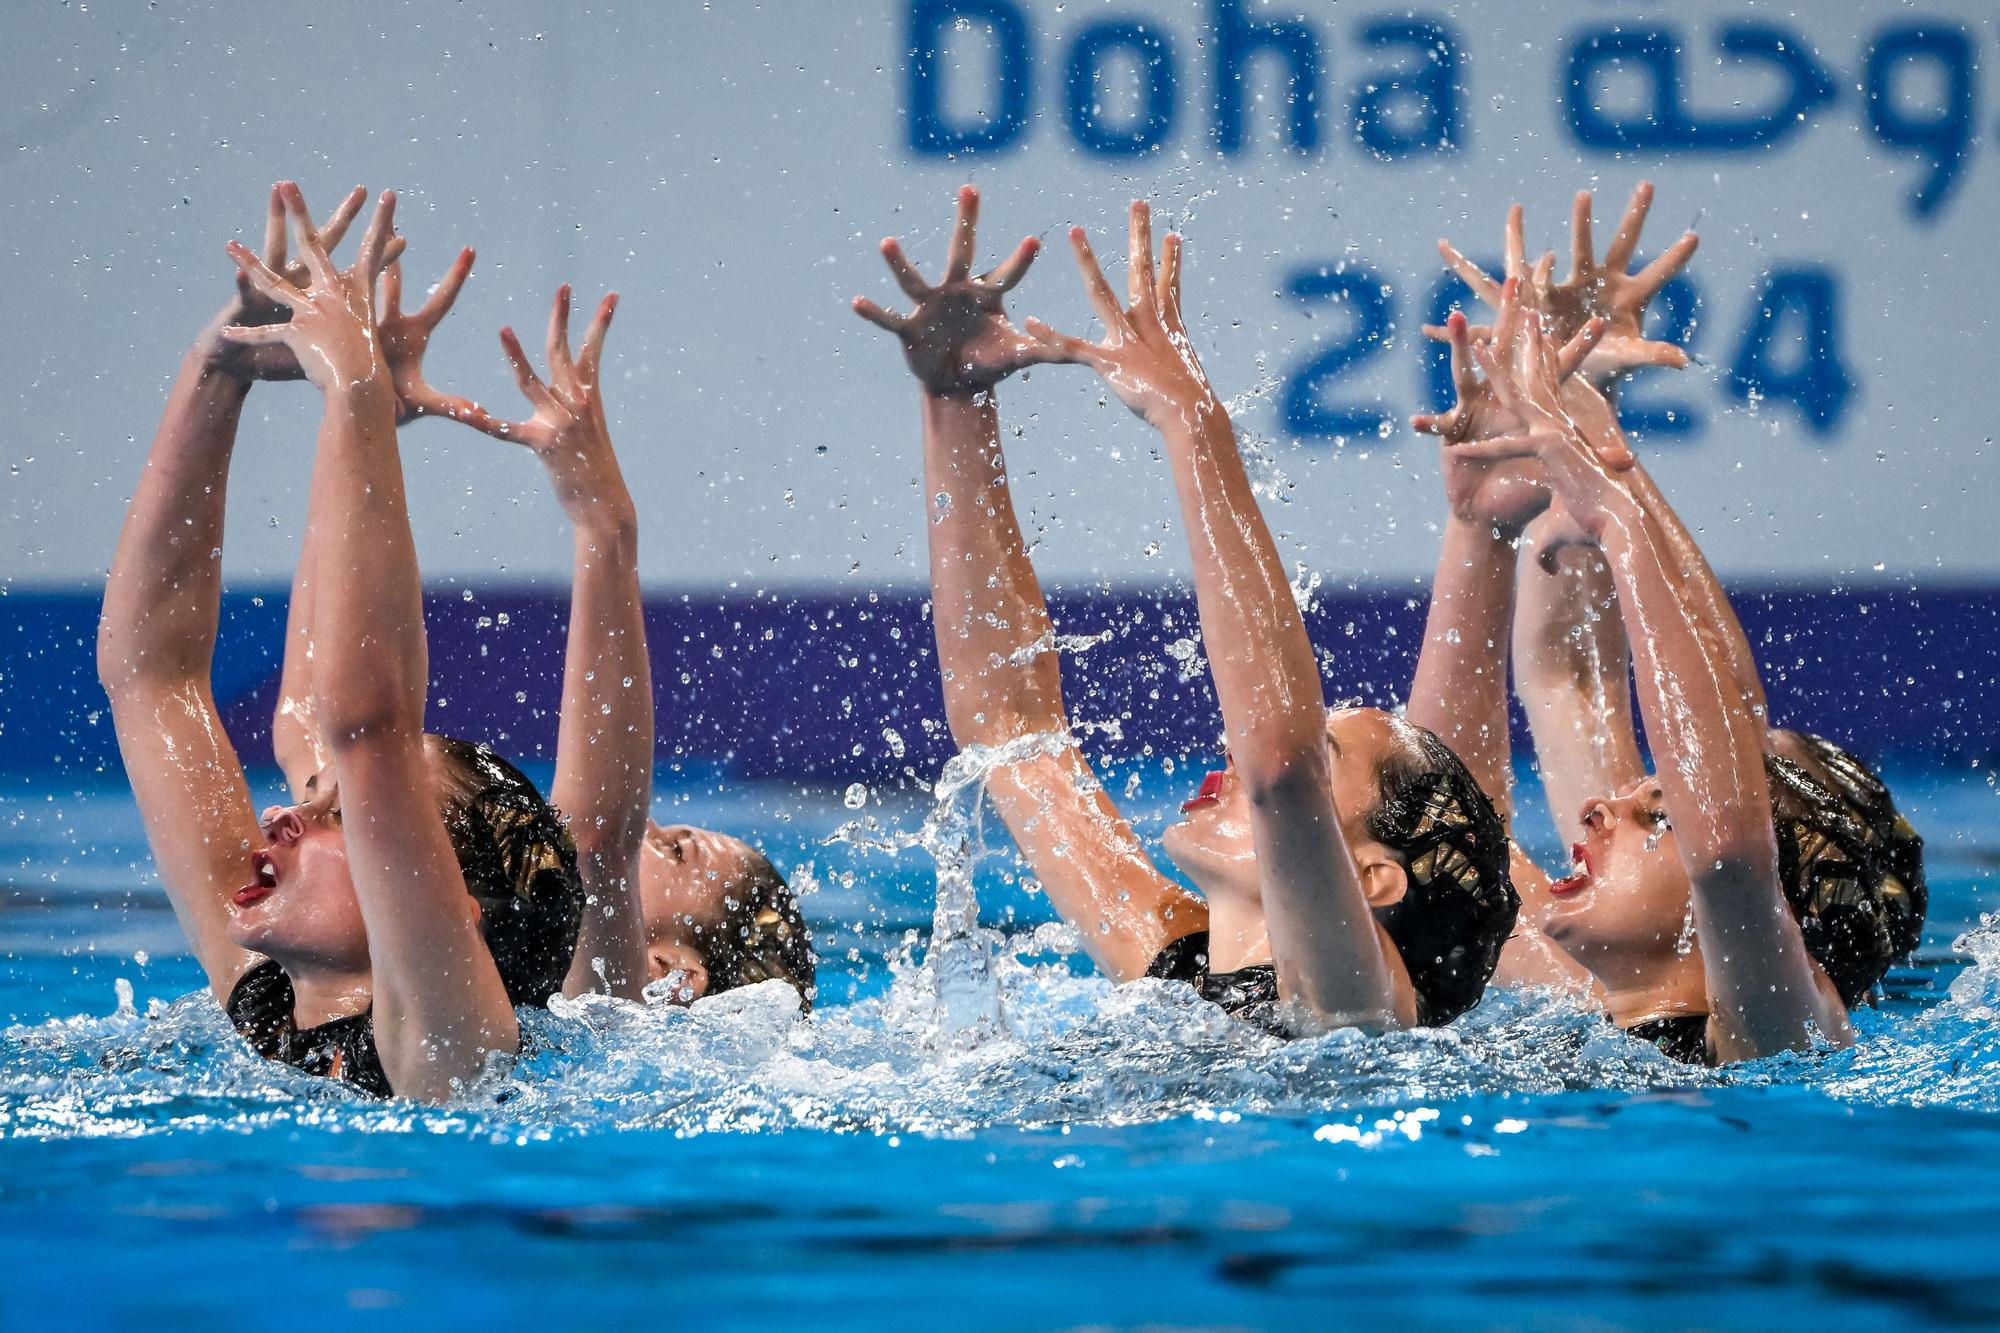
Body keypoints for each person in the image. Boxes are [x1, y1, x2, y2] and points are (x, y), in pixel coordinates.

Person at [855, 187, 1520, 1031]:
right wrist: (957, 404)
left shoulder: (1362, 1007)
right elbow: (1008, 728)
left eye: (1327, 754)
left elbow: (1280, 767)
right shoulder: (1175, 969)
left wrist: (1194, 419)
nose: (1237, 751)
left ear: (1374, 877)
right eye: (1318, 751)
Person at [1409, 194, 1925, 1061]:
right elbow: (1444, 814)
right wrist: (1562, 434)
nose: (1600, 804)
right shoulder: (1570, 983)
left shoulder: (1777, 1028)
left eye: (1661, 812)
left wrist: (1616, 507)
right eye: (1659, 803)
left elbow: (1728, 841)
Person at [98, 183, 583, 1101]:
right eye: (327, 807)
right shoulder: (273, 1007)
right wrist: (220, 364)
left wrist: (354, 392)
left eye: (341, 815)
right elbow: (151, 676)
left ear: (447, 908)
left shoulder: (445, 1051)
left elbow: (371, 727)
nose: (279, 815)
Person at [269, 251, 815, 1011]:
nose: (649, 820)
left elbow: (595, 835)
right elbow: (315, 730)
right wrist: (358, 428)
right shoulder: (430, 914)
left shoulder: (606, 1007)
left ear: (672, 970)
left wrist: (606, 527)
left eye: (673, 847)